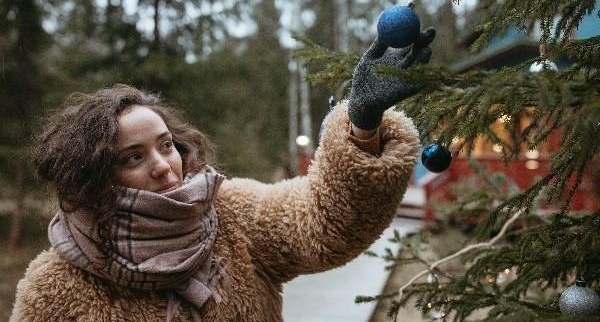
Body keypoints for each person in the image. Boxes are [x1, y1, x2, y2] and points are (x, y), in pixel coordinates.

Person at [10, 29, 435, 322]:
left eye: (165, 144)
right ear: (93, 176)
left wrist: (362, 124)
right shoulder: (55, 286)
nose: (163, 164)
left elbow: (324, 220)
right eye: (132, 158)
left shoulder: (230, 214)